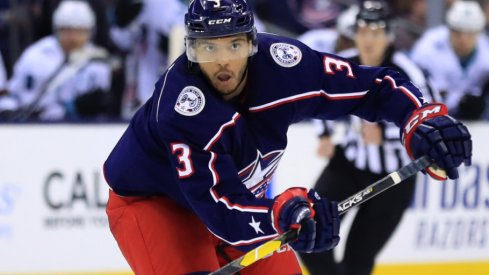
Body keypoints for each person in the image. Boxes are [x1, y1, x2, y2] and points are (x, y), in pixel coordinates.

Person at [103, 0, 472, 274]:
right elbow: (222, 213)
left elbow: (371, 88)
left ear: (252, 42)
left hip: (238, 201)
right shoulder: (182, 110)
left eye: (234, 45)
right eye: (207, 48)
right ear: (191, 50)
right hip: (154, 205)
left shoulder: (284, 65)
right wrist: (285, 211)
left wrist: (418, 119)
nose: (222, 62)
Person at [298, 1, 441, 275]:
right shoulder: (344, 63)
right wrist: (324, 135)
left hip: (394, 178)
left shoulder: (408, 71)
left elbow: (430, 118)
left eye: (376, 33)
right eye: (363, 31)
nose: (368, 40)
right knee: (309, 235)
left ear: (388, 36)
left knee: (358, 263)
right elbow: (315, 96)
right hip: (349, 164)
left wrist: (387, 134)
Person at [0, 0, 112, 121]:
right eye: (67, 30)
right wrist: (8, 110)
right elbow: (13, 93)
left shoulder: (98, 61)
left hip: (77, 126)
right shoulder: (36, 54)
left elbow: (100, 107)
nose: (73, 37)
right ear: (57, 29)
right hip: (32, 122)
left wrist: (76, 108)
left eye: (80, 31)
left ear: (90, 32)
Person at [410, 0, 489, 120]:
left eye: (469, 33)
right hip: (432, 114)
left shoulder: (486, 51)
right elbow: (412, 80)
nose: (463, 39)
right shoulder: (428, 46)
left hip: (477, 118)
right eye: (458, 32)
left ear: (479, 32)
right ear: (449, 28)